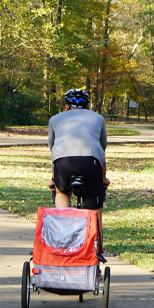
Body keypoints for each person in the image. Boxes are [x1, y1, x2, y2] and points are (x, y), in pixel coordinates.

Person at [47, 88, 108, 221]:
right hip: (91, 163)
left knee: (62, 192)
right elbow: (102, 148)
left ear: (67, 106)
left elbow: (53, 149)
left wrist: (53, 179)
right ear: (87, 106)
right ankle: (96, 239)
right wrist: (103, 179)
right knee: (95, 217)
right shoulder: (98, 118)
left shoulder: (54, 119)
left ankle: (65, 227)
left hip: (63, 164)